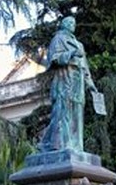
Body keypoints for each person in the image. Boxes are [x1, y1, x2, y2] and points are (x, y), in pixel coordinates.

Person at [39, 16, 100, 153]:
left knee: (76, 114)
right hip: (64, 79)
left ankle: (75, 146)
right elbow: (54, 59)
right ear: (63, 24)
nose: (73, 25)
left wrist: (90, 83)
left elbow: (84, 67)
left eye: (74, 23)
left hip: (77, 84)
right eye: (70, 22)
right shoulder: (58, 39)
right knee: (62, 113)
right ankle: (59, 144)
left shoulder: (79, 44)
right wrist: (72, 53)